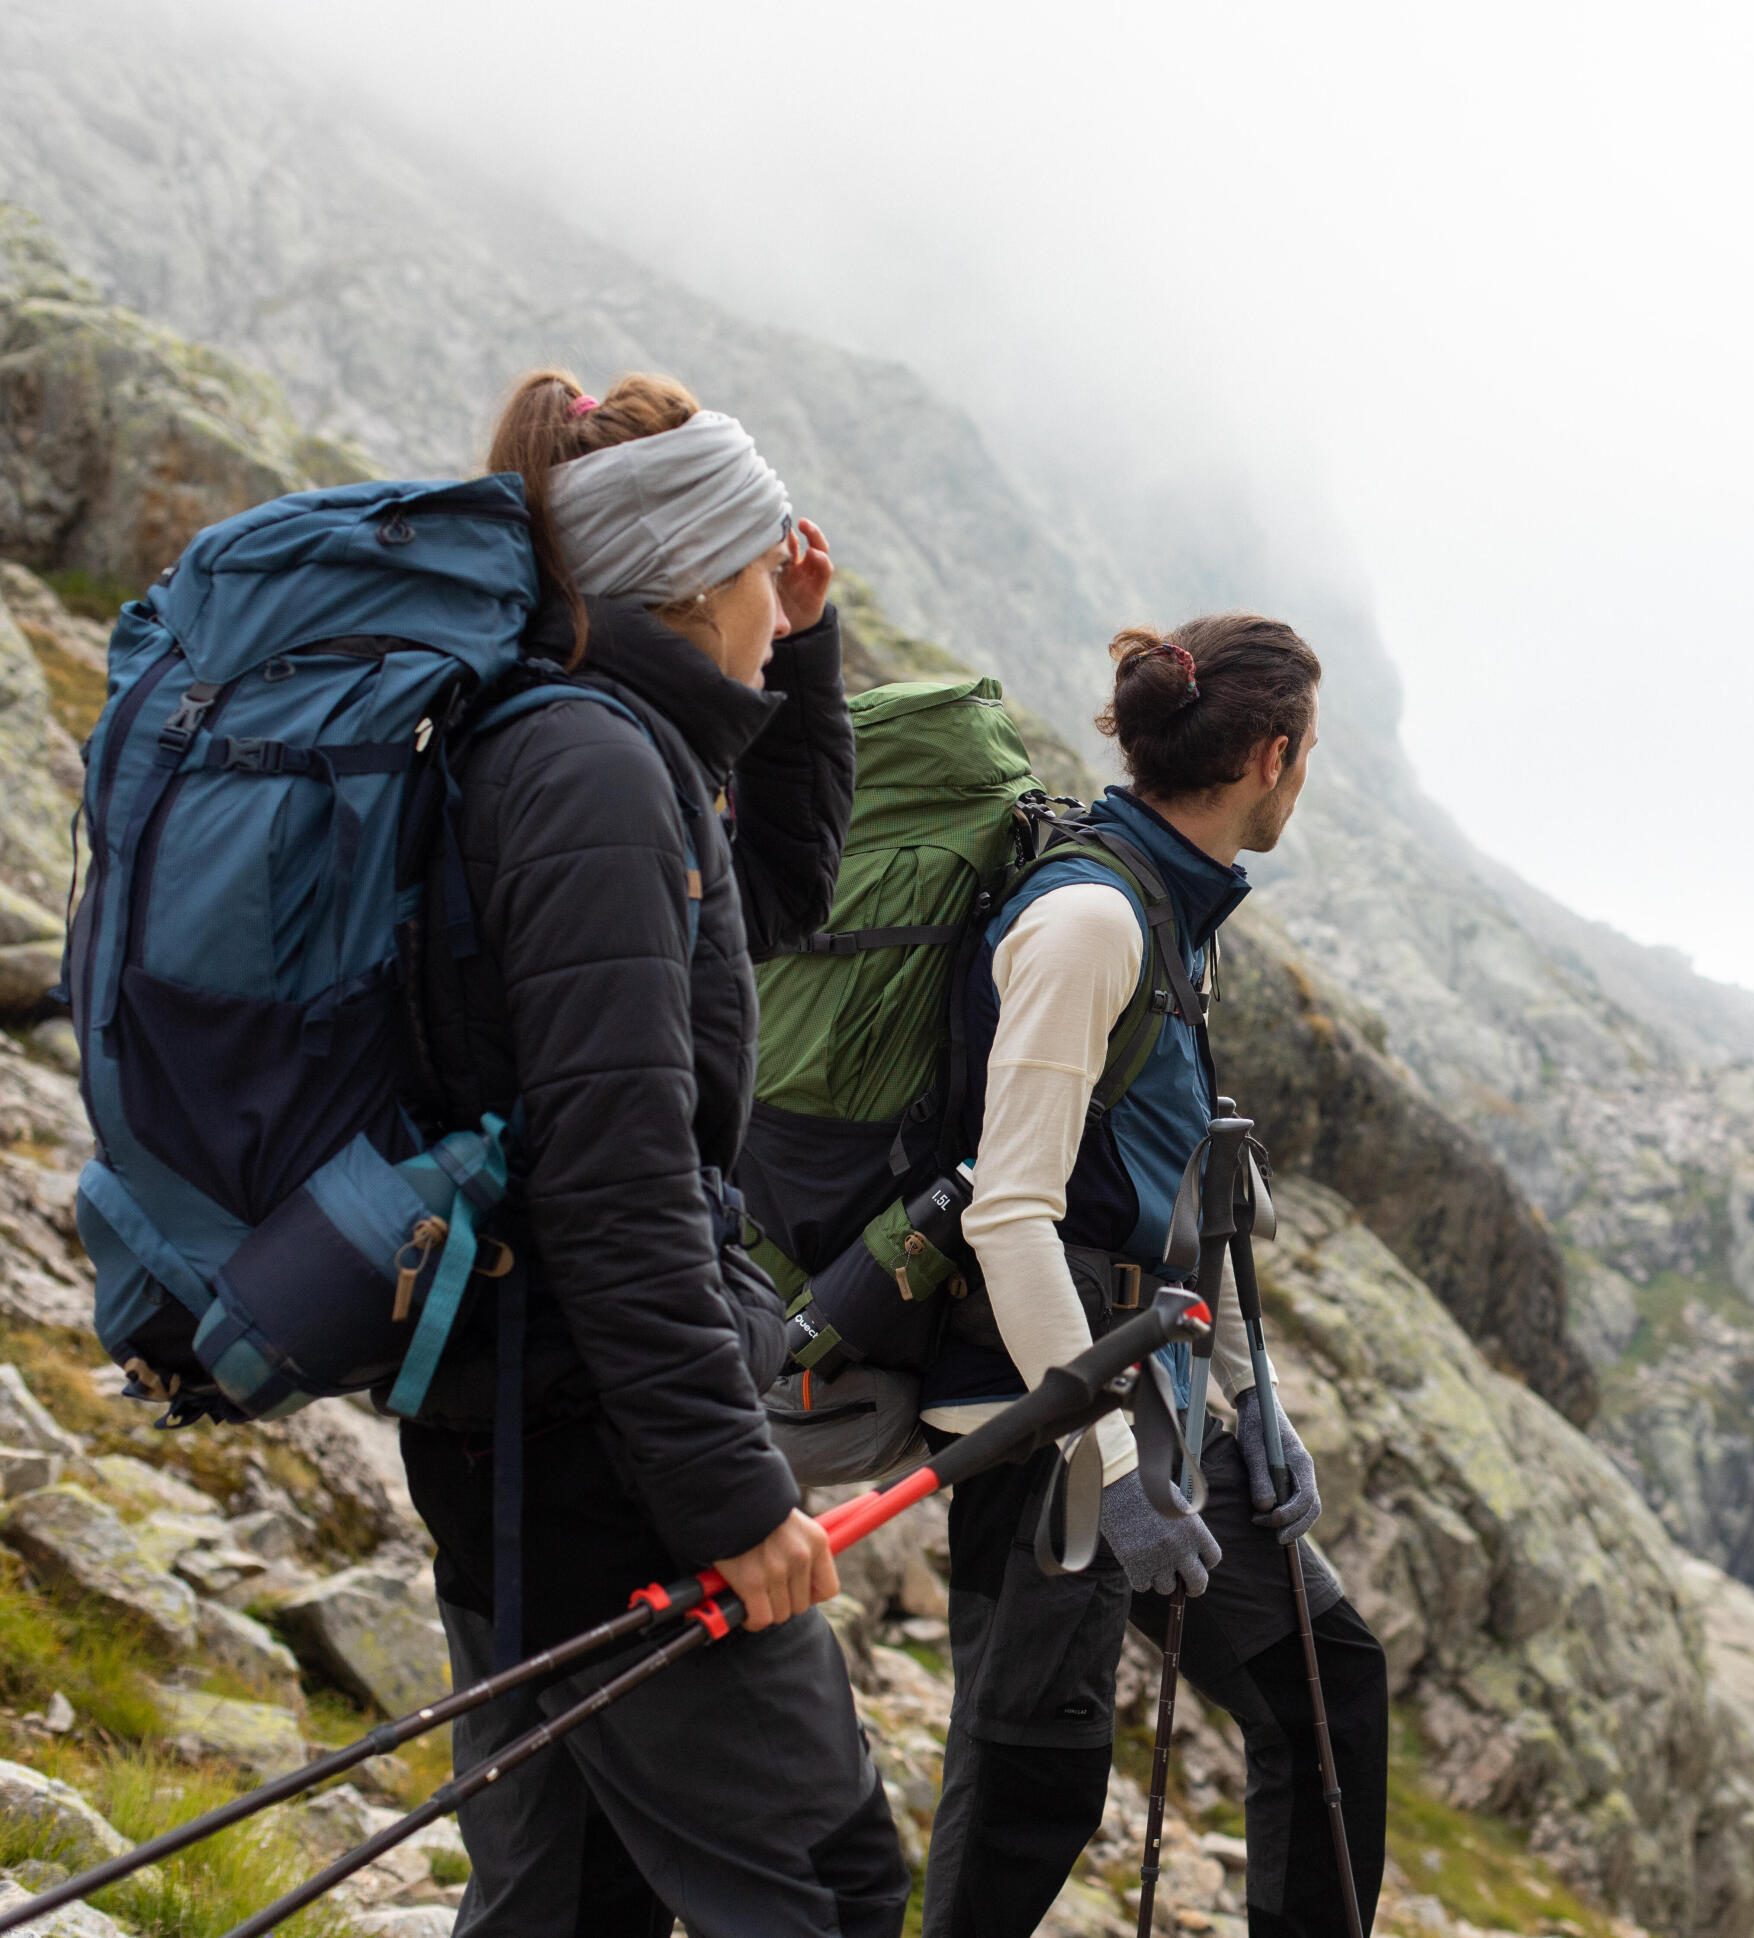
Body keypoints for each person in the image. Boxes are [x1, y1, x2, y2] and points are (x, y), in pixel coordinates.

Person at [392, 369, 911, 1938]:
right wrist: (735, 1504)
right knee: (827, 1886)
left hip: (517, 1430)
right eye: (765, 569)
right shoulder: (597, 777)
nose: (780, 594)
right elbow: (613, 1186)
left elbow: (772, 909)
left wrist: (808, 653)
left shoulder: (600, 752)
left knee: (564, 1903)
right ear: (689, 569)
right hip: (599, 1457)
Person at [917, 617, 1388, 1938]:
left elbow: (1179, 1195)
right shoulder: (1088, 919)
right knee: (1030, 1780)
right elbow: (1010, 1214)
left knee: (1327, 1677)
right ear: (1275, 756)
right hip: (1039, 1406)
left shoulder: (1177, 910)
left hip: (1152, 1396)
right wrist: (1115, 1475)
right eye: (1311, 757)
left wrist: (1253, 1396)